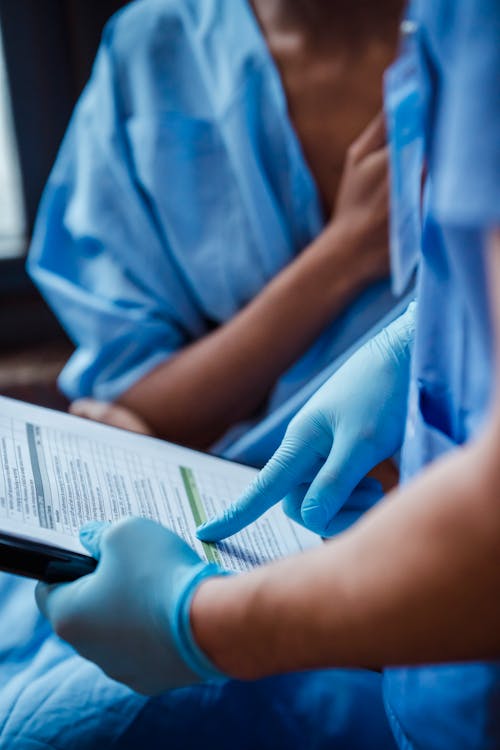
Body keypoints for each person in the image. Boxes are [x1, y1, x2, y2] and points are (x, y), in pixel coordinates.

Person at [36, 1, 500, 749]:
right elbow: (127, 400)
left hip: (421, 622)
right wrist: (416, 328)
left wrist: (200, 625)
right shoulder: (157, 48)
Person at [28, 0, 405, 462]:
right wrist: (344, 254)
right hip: (244, 496)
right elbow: (131, 407)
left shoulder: (470, 45)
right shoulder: (152, 49)